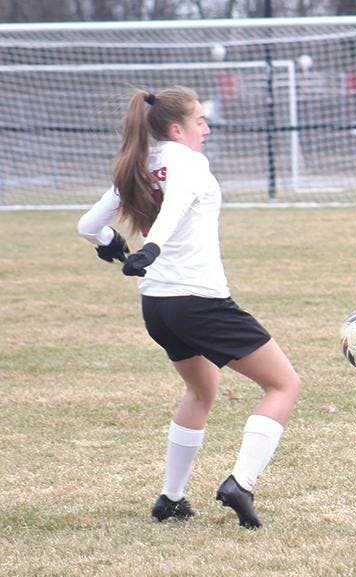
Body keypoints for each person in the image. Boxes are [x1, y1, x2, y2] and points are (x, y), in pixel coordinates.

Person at [77, 86, 301, 529]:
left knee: (202, 391)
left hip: (157, 306)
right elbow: (176, 205)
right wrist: (152, 247)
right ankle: (241, 482)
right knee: (284, 386)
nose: (208, 128)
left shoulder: (140, 164)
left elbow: (87, 225)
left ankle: (170, 498)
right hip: (198, 300)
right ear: (178, 128)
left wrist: (110, 244)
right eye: (201, 121)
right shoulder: (188, 162)